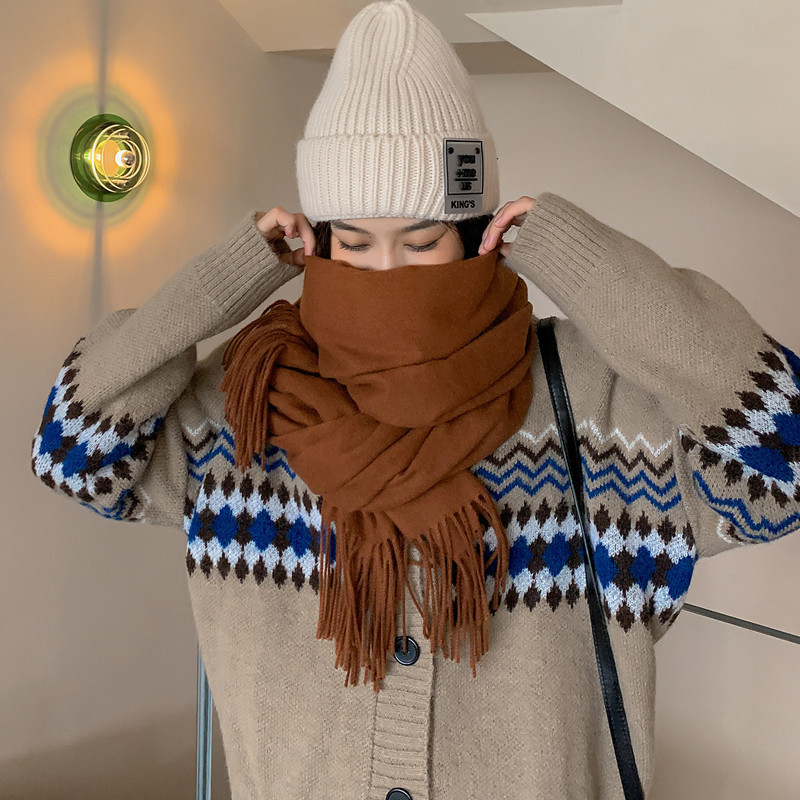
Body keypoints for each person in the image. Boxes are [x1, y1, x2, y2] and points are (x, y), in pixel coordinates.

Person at [30, 1, 800, 798]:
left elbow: (783, 469)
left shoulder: (599, 408)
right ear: (315, 244)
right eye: (354, 244)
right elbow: (72, 452)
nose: (387, 275)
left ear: (477, 236)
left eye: (423, 241)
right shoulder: (243, 405)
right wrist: (225, 277)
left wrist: (583, 260)